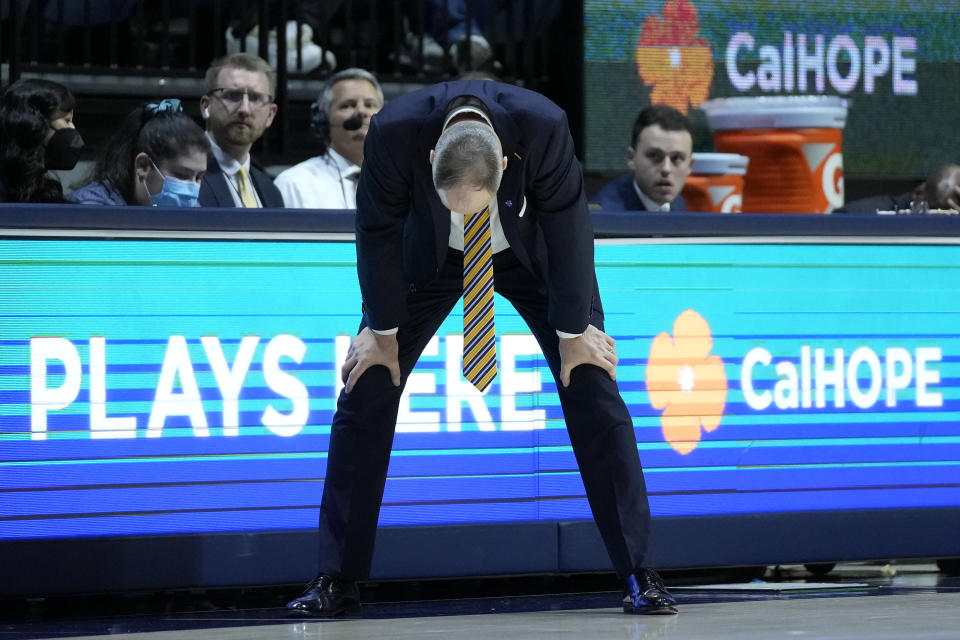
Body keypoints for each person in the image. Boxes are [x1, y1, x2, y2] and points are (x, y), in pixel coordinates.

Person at [286, 80, 678, 618]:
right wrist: (381, 333)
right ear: (430, 161)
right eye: (456, 204)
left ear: (505, 167)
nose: (469, 215)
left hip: (529, 255)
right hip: (430, 258)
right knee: (365, 384)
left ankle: (639, 572)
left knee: (592, 383)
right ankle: (336, 578)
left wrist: (572, 334)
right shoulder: (394, 132)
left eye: (478, 204)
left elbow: (570, 228)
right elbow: (375, 230)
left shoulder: (544, 126)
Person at [274, 68, 383, 209]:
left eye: (369, 105)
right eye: (347, 105)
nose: (361, 111)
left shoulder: (403, 183)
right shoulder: (295, 184)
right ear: (323, 120)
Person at [69, 99, 209, 207]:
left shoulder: (193, 208)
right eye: (182, 175)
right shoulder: (90, 209)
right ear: (143, 166)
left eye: (198, 177)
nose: (192, 190)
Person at [197, 52, 284, 209]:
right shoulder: (183, 175)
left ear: (270, 114)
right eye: (233, 95)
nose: (244, 109)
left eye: (256, 98)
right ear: (206, 106)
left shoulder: (271, 191)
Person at [593, 105, 692, 212]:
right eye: (654, 156)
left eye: (676, 158)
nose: (666, 169)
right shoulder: (607, 214)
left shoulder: (678, 202)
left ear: (690, 165)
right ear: (631, 158)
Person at [0, 78, 83, 203]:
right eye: (66, 121)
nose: (72, 128)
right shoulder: (5, 190)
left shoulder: (41, 188)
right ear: (36, 124)